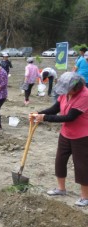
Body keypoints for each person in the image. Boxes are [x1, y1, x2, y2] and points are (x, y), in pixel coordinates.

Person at [29, 72, 88, 207]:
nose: (66, 92)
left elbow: (70, 117)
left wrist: (45, 118)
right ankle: (61, 189)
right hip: (66, 133)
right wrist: (38, 113)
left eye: (68, 90)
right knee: (60, 161)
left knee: (82, 166)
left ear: (77, 87)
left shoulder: (85, 95)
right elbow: (55, 108)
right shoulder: (66, 92)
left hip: (82, 136)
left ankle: (85, 197)